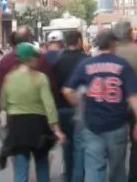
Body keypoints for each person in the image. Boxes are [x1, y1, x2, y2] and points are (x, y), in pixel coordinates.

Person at [63, 30, 137, 182]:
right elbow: (133, 95)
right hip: (117, 124)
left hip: (92, 125)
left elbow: (67, 90)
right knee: (117, 168)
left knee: (94, 168)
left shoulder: (86, 64)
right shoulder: (122, 65)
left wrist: (80, 105)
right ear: (113, 44)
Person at [0, 42, 65, 182]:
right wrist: (56, 129)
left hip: (17, 127)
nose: (37, 59)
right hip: (38, 126)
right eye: (35, 57)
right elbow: (49, 105)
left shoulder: (9, 78)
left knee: (21, 171)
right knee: (42, 166)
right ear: (29, 59)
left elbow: (3, 104)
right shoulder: (40, 78)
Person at [0, 26, 57, 126]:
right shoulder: (40, 59)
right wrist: (54, 122)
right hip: (38, 117)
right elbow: (51, 89)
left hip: (12, 118)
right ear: (30, 40)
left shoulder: (5, 62)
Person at [112, 20, 137, 182]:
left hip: (116, 103)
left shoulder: (112, 53)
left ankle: (118, 174)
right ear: (130, 34)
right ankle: (134, 176)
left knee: (118, 142)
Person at [51, 30, 89, 182]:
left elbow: (53, 85)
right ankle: (78, 177)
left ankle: (68, 175)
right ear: (79, 41)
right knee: (81, 147)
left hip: (62, 108)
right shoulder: (86, 60)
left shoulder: (58, 62)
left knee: (67, 147)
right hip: (81, 108)